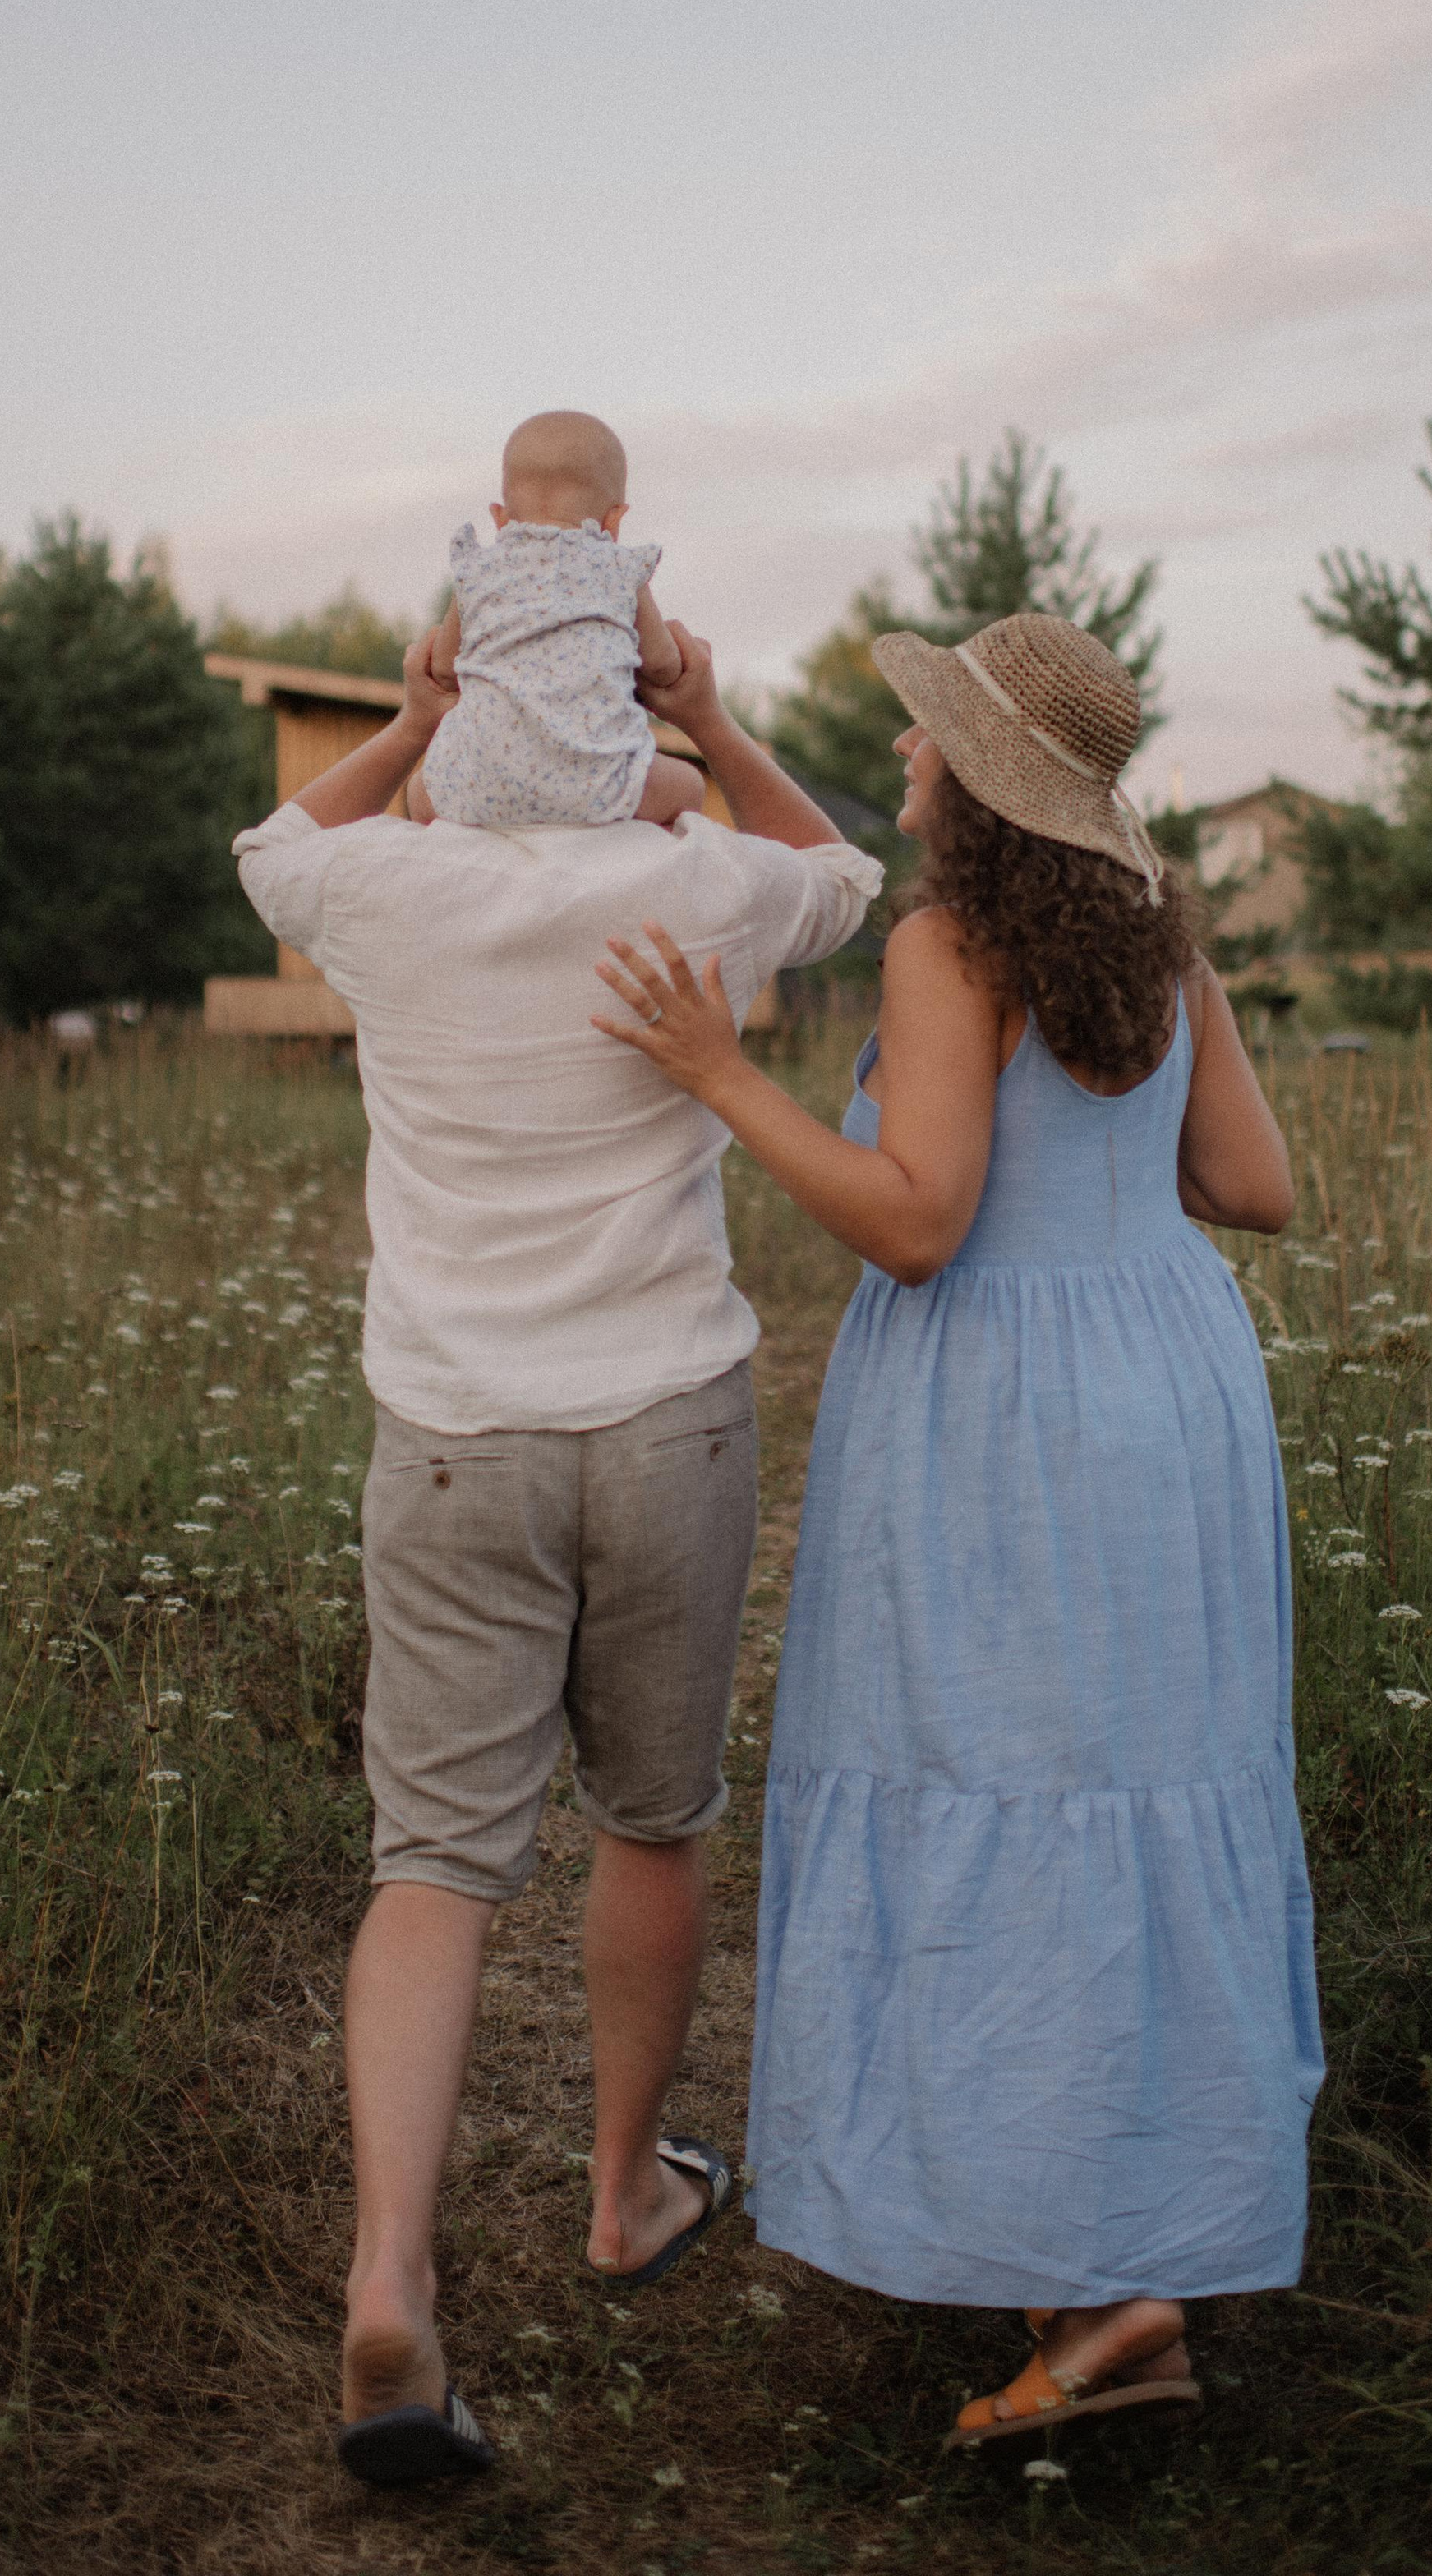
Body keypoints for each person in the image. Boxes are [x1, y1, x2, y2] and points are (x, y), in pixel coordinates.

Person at [593, 611, 1323, 2454]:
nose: (903, 760)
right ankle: (1126, 2256)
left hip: (1008, 1415)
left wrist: (717, 1075)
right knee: (1127, 1793)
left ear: (977, 788)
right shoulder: (1154, 948)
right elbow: (1252, 1187)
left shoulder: (946, 949)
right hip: (1171, 1389)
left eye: (925, 740)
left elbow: (916, 1221)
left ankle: (1092, 2293)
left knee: (992, 1781)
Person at [233, 610, 882, 2487]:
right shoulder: (679, 877)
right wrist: (715, 715)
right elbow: (838, 869)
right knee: (652, 1819)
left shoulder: (388, 888)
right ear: (619, 720)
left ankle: (390, 2275)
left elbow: (267, 853)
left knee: (433, 1863)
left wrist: (403, 722)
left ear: (460, 740)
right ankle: (619, 2196)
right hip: (659, 1411)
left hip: (453, 1434)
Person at [407, 407, 706, 832]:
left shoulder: (479, 569)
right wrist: (679, 652)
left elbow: (443, 666)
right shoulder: (618, 567)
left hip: (481, 787)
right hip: (596, 786)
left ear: (500, 518)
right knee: (691, 786)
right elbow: (661, 666)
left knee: (420, 791)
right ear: (614, 520)